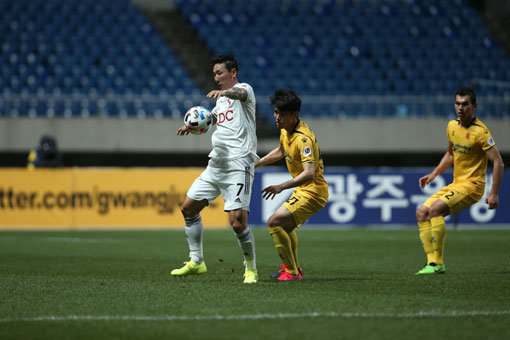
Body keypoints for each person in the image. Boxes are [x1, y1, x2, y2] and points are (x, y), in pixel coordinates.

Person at [171, 54, 259, 284]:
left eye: (219, 73)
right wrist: (191, 125)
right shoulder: (220, 101)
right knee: (188, 209)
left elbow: (238, 94)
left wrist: (225, 93)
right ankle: (196, 262)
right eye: (214, 74)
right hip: (216, 163)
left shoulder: (244, 90)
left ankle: (250, 269)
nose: (216, 78)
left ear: (233, 72)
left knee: (237, 222)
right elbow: (211, 119)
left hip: (239, 164)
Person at [415, 87, 504, 275]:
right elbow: (450, 154)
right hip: (457, 183)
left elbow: (498, 163)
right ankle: (431, 262)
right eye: (457, 103)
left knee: (435, 209)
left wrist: (494, 192)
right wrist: (434, 174)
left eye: (465, 104)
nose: (460, 108)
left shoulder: (481, 133)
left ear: (474, 106)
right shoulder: (452, 126)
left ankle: (437, 264)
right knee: (422, 213)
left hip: (473, 185)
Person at [255, 89, 329, 281]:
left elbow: (309, 173)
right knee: (284, 227)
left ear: (295, 115)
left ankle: (292, 272)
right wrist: (256, 163)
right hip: (304, 189)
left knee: (274, 222)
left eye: (282, 114)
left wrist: (281, 186)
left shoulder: (302, 139)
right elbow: (281, 151)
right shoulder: (286, 129)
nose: (277, 117)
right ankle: (293, 268)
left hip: (313, 192)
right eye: (276, 112)